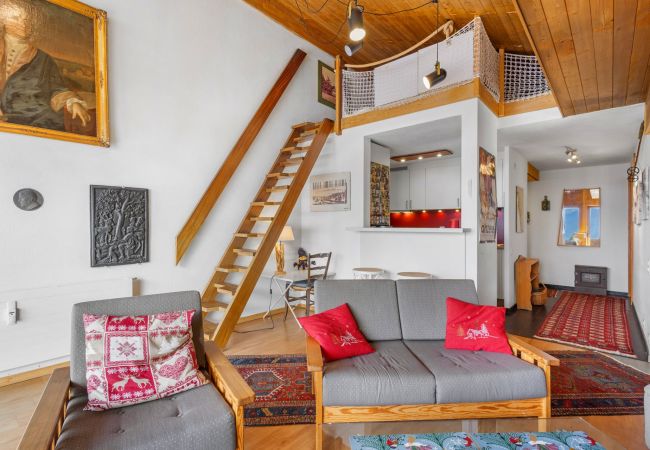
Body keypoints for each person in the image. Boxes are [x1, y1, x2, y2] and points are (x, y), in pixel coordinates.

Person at [0, 0, 90, 131]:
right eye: (16, 18)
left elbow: (57, 89)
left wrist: (73, 102)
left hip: (40, 118)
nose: (24, 23)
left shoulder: (44, 58)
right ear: (4, 22)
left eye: (27, 20)